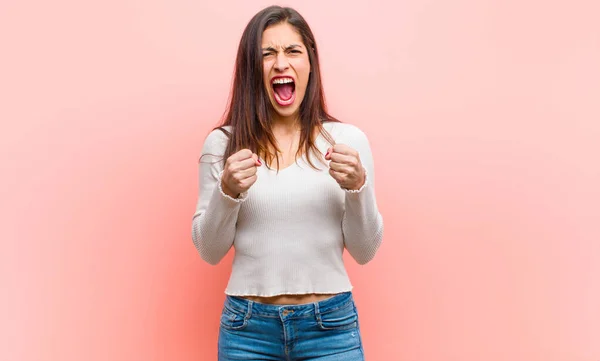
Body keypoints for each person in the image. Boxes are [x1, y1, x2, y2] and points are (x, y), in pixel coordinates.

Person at [192, 5, 384, 361]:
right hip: (247, 332)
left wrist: (358, 187)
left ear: (310, 62)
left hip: (331, 329)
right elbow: (209, 251)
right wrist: (227, 193)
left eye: (293, 51)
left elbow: (365, 251)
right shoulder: (224, 144)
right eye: (268, 54)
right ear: (252, 68)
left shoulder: (346, 141)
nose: (281, 63)